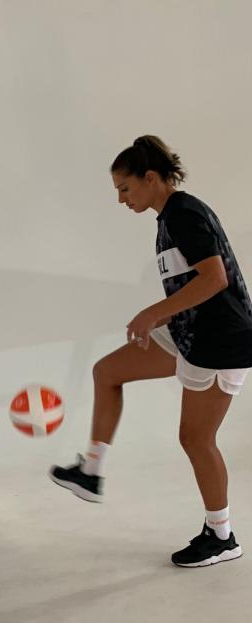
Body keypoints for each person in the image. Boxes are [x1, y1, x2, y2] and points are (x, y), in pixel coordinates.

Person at [50, 135, 252, 568]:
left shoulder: (184, 213)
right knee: (108, 372)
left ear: (152, 178)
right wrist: (163, 319)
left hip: (220, 341)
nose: (121, 199)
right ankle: (91, 471)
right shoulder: (168, 218)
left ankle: (222, 536)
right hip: (188, 332)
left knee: (196, 439)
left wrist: (151, 312)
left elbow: (215, 279)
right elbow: (192, 284)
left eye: (125, 188)